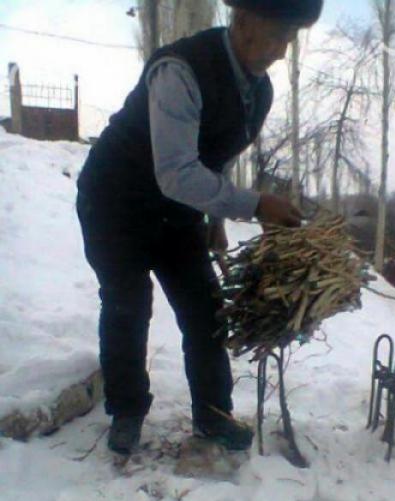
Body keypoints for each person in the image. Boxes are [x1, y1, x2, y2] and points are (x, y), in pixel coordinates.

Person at [75, 0, 323, 455]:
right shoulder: (180, 70)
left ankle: (212, 415)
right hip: (115, 201)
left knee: (205, 311)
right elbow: (177, 173)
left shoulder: (258, 91)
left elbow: (217, 155)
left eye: (289, 39)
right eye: (277, 36)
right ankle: (126, 410)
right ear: (243, 21)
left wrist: (215, 219)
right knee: (128, 305)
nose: (281, 51)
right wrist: (255, 205)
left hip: (176, 211)